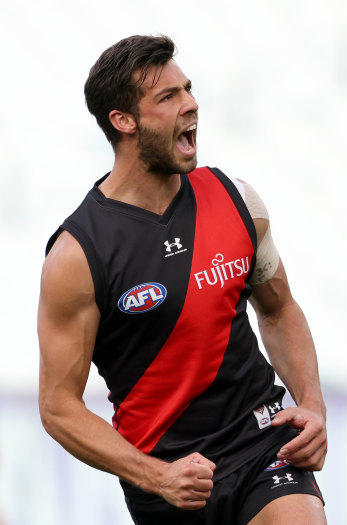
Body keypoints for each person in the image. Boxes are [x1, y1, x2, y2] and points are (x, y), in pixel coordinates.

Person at [38, 35, 327, 525]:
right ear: (123, 121)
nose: (191, 104)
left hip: (262, 439)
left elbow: (279, 310)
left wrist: (312, 403)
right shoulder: (77, 254)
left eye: (187, 89)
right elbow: (58, 407)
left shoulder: (237, 200)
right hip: (170, 479)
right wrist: (154, 476)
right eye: (168, 97)